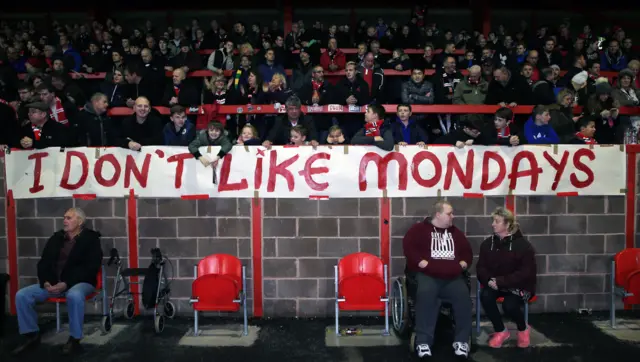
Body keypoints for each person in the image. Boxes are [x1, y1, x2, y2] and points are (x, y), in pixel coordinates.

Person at [11, 208, 103, 355]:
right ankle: (32, 335)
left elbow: (91, 267)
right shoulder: (56, 238)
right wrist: (46, 282)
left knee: (74, 295)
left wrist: (66, 283)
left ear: (79, 222)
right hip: (54, 283)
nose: (65, 221)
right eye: (64, 218)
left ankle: (74, 339)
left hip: (80, 282)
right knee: (22, 295)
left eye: (69, 218)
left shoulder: (91, 240)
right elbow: (43, 263)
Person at [403, 200, 473, 360]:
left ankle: (462, 341)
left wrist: (463, 264)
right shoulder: (418, 230)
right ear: (438, 214)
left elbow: (467, 253)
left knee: (463, 298)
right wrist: (421, 263)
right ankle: (423, 342)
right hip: (428, 275)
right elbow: (409, 248)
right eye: (449, 214)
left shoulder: (456, 233)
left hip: (452, 277)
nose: (452, 216)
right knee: (426, 295)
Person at [476, 207, 537, 348]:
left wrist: (501, 281)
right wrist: (490, 281)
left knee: (509, 305)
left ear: (507, 224)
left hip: (518, 286)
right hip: (495, 284)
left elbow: (525, 273)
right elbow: (481, 268)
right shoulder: (487, 244)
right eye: (493, 221)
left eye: (497, 221)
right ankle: (501, 331)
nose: (493, 224)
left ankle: (523, 329)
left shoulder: (523, 246)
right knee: (485, 296)